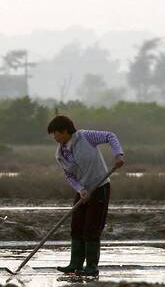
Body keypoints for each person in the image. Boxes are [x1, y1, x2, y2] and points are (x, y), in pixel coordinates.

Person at [47, 115, 125, 276]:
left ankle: (91, 267)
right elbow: (69, 176)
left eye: (56, 133)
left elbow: (110, 136)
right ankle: (75, 264)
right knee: (76, 226)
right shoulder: (60, 153)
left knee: (91, 227)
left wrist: (118, 155)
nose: (54, 137)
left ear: (65, 131)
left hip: (100, 186)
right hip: (83, 191)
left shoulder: (85, 137)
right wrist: (80, 190)